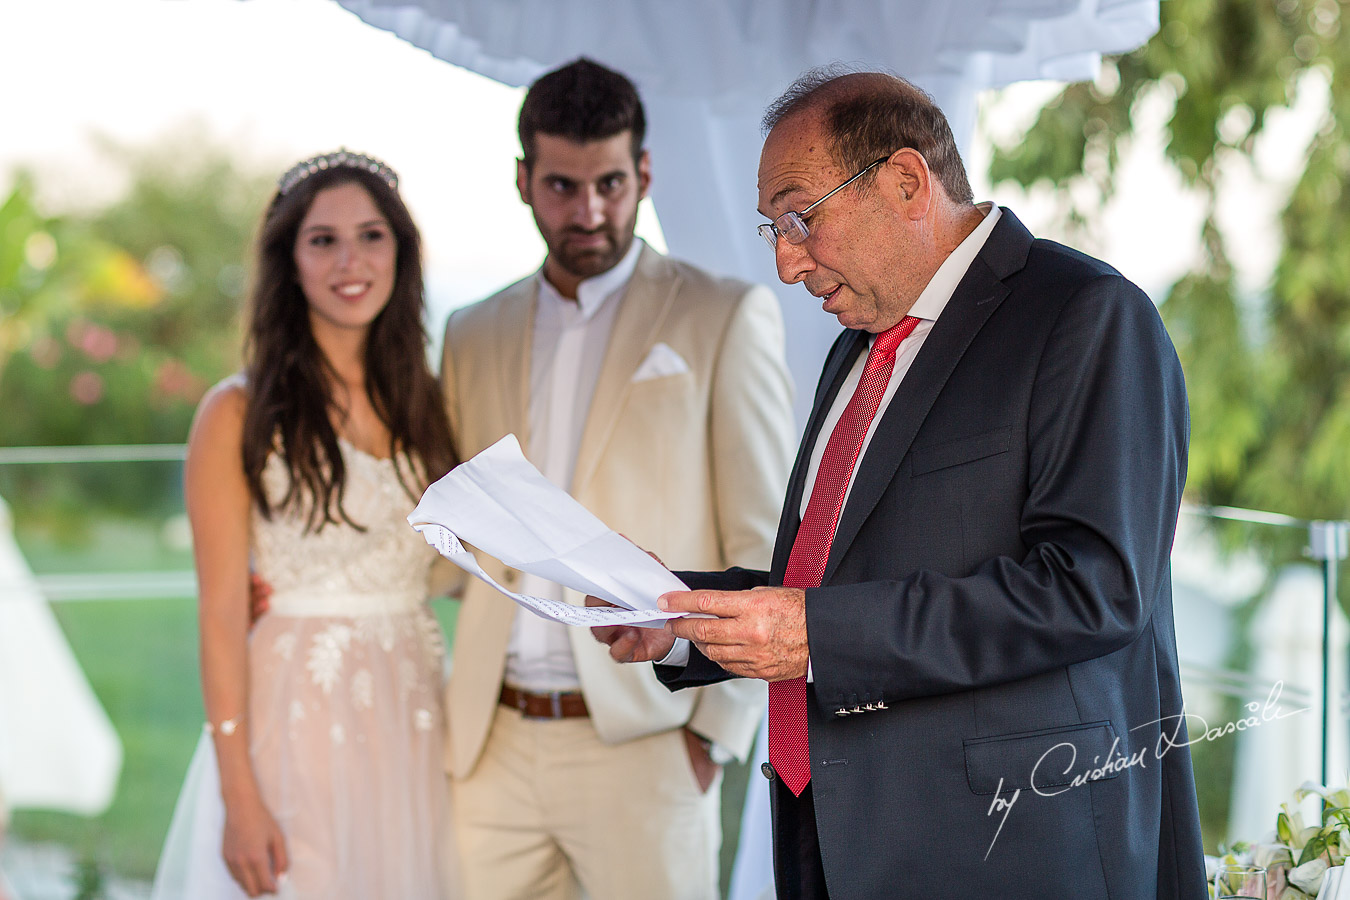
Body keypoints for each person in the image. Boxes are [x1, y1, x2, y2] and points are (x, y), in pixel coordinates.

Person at [593, 69, 1209, 899]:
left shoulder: (1088, 314)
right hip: (832, 834)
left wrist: (818, 636)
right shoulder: (857, 347)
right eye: (773, 228)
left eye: (800, 217)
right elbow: (832, 584)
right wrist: (675, 614)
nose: (784, 261)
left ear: (906, 181)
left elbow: (1095, 590)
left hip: (1008, 848)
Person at [439, 58, 796, 899]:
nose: (589, 211)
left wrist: (713, 734)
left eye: (609, 182)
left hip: (648, 742)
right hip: (488, 748)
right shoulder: (469, 332)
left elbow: (767, 540)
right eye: (562, 185)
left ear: (643, 173)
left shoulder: (721, 316)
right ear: (524, 181)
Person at [151, 151, 459, 900]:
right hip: (294, 714)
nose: (350, 260)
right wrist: (239, 795)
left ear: (400, 251)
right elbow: (222, 611)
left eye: (371, 235)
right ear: (289, 260)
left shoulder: (427, 401)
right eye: (323, 240)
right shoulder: (235, 412)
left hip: (414, 708)